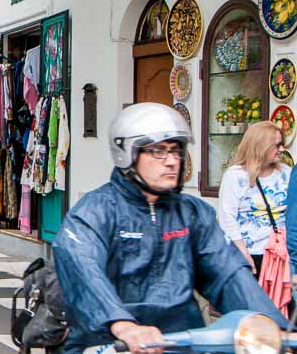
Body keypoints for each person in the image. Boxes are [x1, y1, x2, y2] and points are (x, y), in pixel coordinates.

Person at [52, 103, 287, 354]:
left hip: (180, 342)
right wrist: (122, 325)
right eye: (158, 151)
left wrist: (271, 326)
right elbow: (83, 268)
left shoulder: (193, 214)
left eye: (176, 151)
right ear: (127, 152)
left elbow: (228, 273)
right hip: (108, 342)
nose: (172, 161)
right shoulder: (95, 211)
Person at [218, 121, 289, 279]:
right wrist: (243, 255)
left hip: (281, 255)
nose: (282, 149)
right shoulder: (235, 176)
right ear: (261, 146)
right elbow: (227, 218)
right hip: (249, 254)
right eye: (277, 145)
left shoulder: (286, 173)